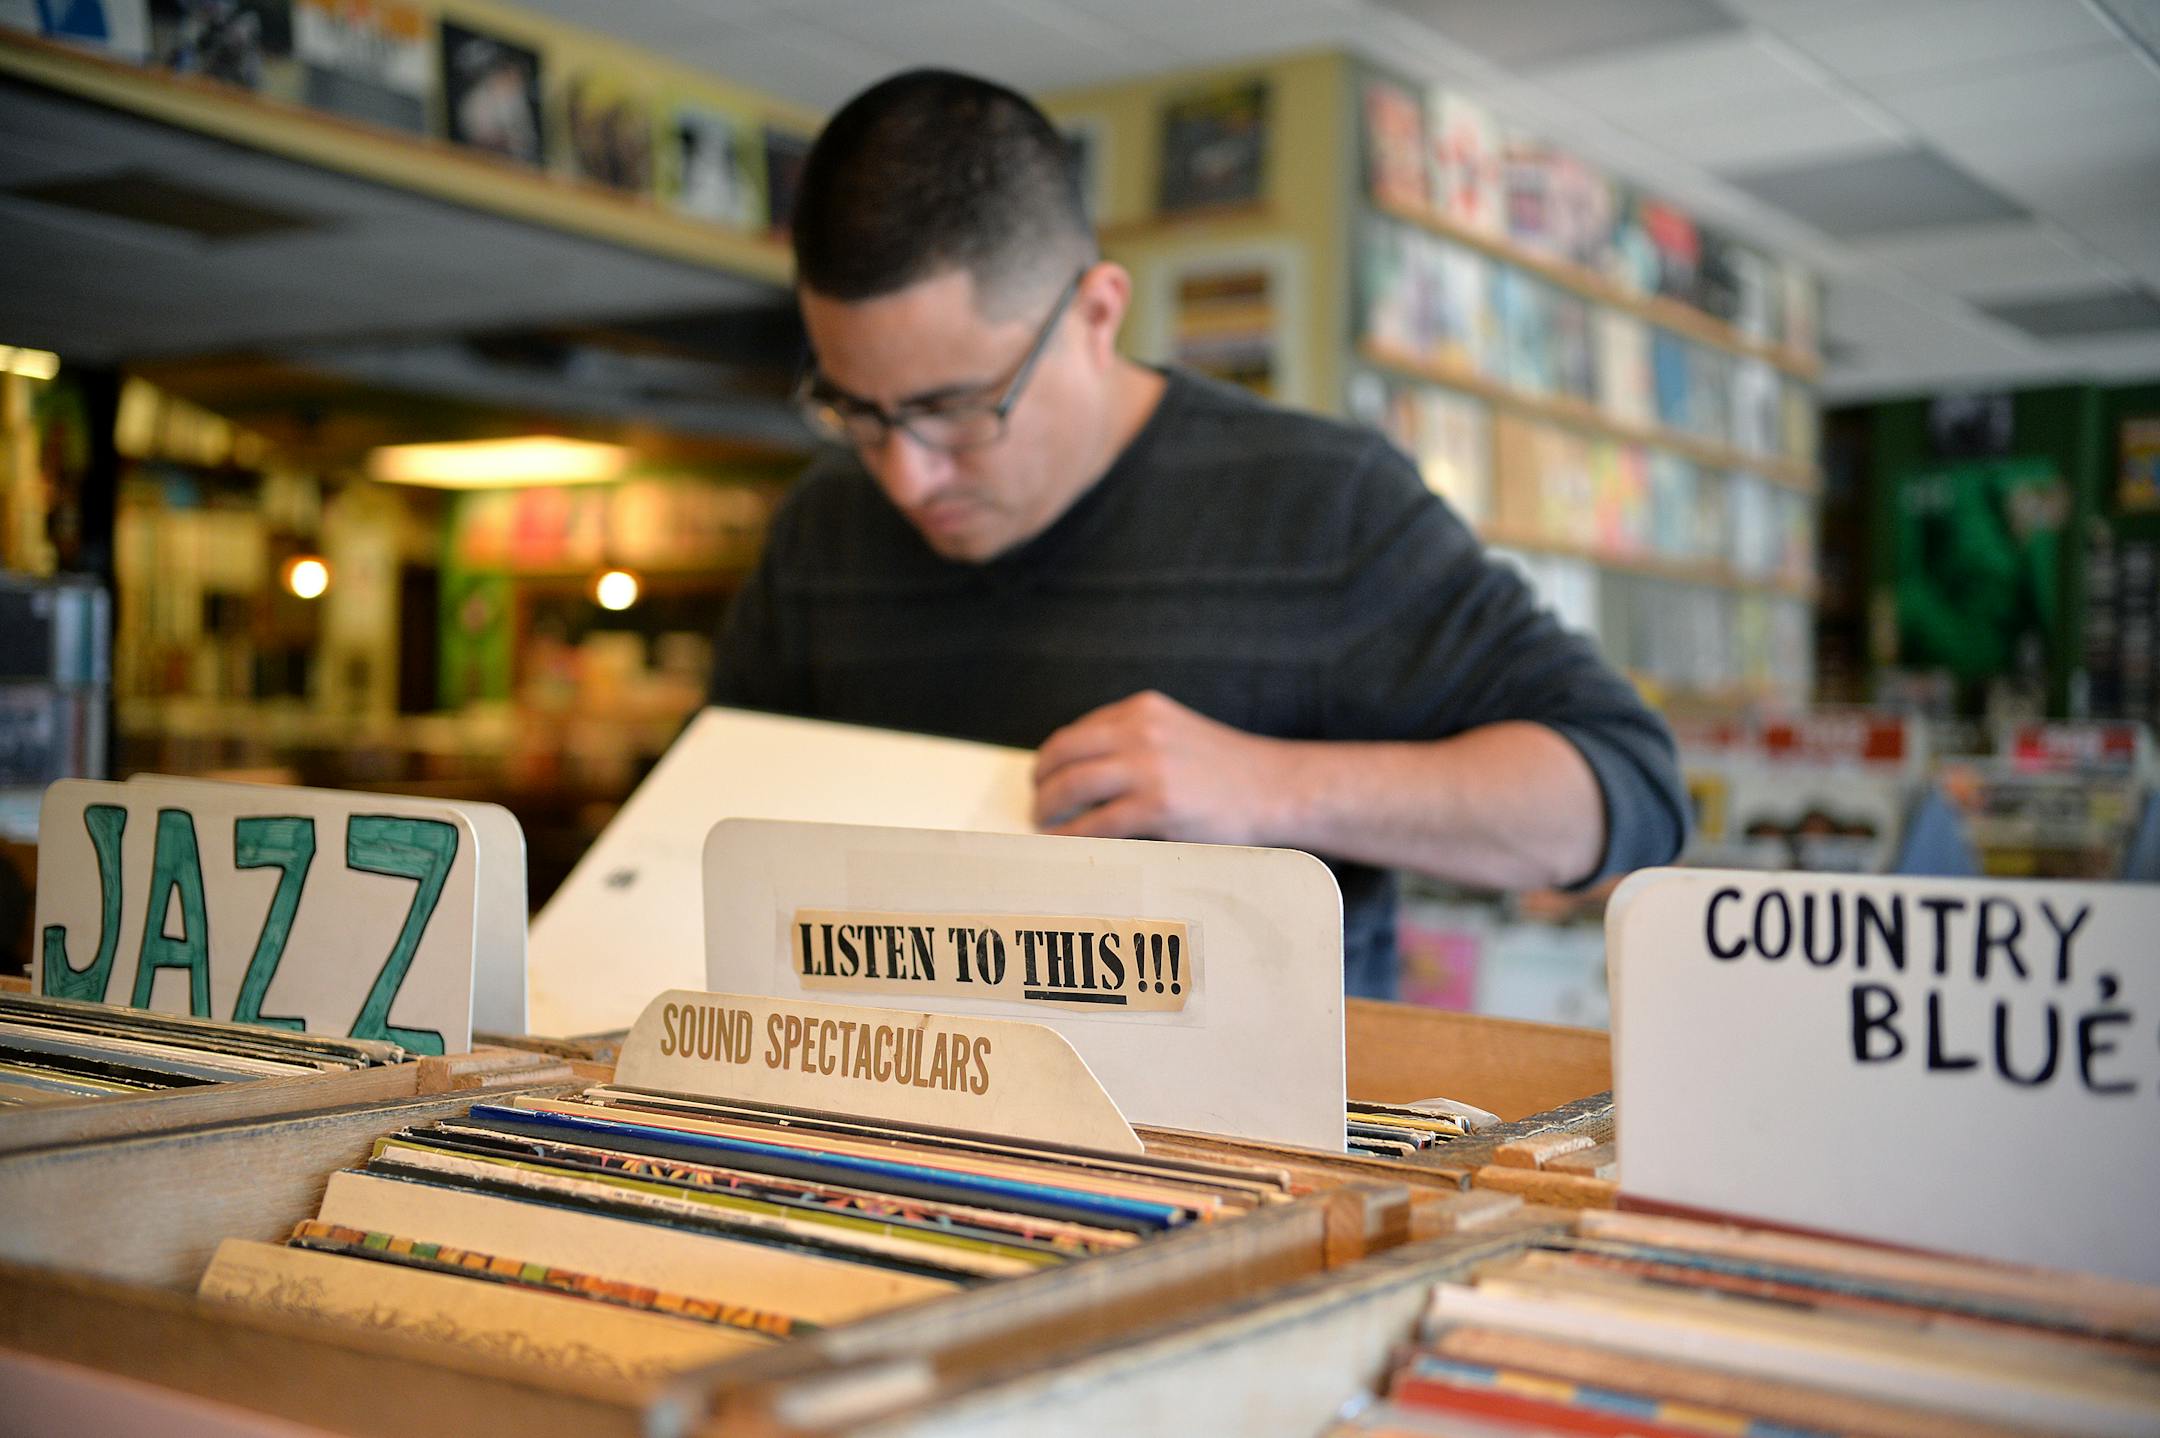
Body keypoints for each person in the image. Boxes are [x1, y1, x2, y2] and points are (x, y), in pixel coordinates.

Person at [711, 69, 1688, 998]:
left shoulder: (1321, 505)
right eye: (858, 412)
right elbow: (709, 840)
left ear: (1097, 313)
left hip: (1262, 1166)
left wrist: (1273, 787)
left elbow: (1626, 794)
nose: (906, 474)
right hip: (881, 1140)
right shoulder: (820, 533)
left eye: (959, 408)